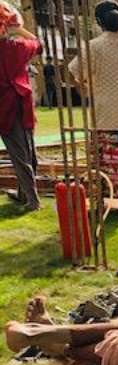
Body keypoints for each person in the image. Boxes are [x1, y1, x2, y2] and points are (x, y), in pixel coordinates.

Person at [67, 0, 118, 212]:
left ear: (100, 22)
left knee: (101, 160)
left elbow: (74, 71)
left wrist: (84, 88)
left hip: (101, 114)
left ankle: (101, 199)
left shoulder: (92, 47)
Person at [0, 1, 42, 212]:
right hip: (22, 103)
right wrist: (20, 30)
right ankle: (25, 194)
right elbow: (38, 44)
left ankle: (32, 200)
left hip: (4, 106)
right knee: (27, 149)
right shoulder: (17, 47)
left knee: (19, 153)